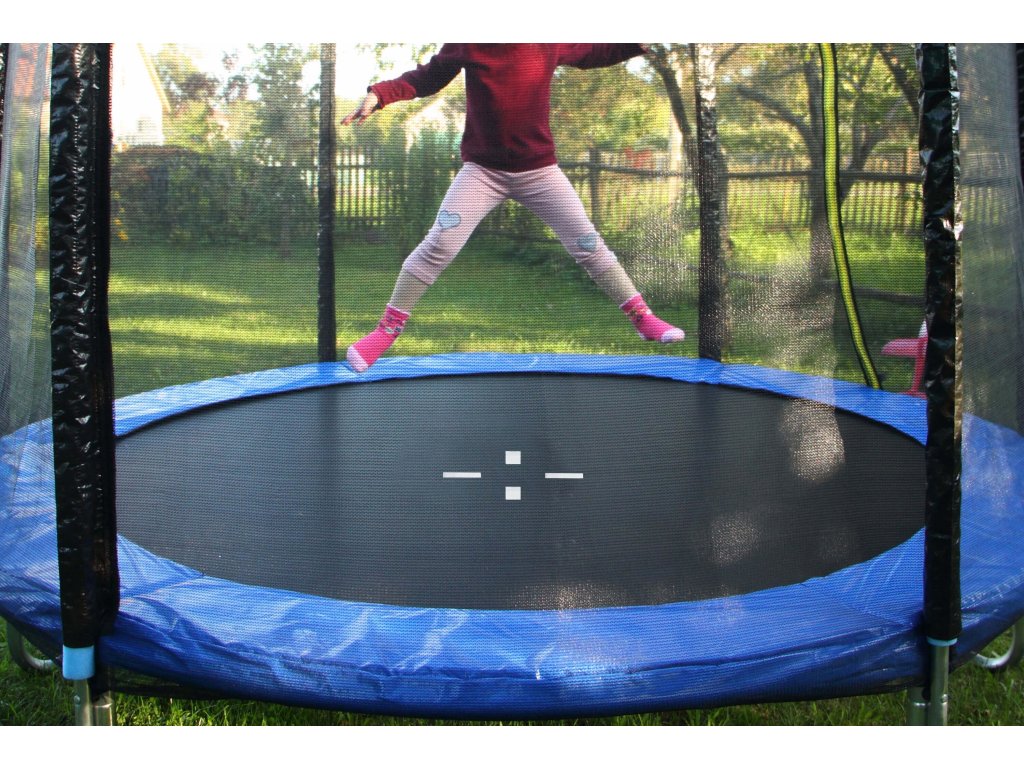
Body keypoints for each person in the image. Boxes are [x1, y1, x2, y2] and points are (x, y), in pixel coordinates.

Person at [342, 43, 685, 372]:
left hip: (539, 171)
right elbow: (427, 77)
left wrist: (633, 43)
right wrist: (379, 95)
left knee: (587, 243)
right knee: (440, 243)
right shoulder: (470, 41)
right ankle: (386, 331)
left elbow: (593, 51)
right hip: (482, 172)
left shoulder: (546, 40)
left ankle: (642, 318)